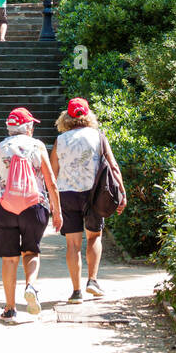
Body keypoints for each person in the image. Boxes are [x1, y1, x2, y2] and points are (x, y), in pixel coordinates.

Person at [0, 107, 62, 323]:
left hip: (4, 207)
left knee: (9, 260)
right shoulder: (37, 146)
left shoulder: (0, 147)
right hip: (34, 207)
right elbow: (51, 182)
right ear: (28, 128)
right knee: (31, 252)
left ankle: (10, 308)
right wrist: (57, 212)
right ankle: (31, 286)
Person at [51, 98, 126, 303]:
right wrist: (122, 192)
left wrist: (52, 202)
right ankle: (92, 281)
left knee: (72, 244)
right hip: (93, 194)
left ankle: (76, 292)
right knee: (94, 237)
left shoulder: (61, 140)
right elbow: (113, 166)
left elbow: (52, 173)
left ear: (66, 117)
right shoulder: (98, 136)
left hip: (67, 195)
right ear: (88, 115)